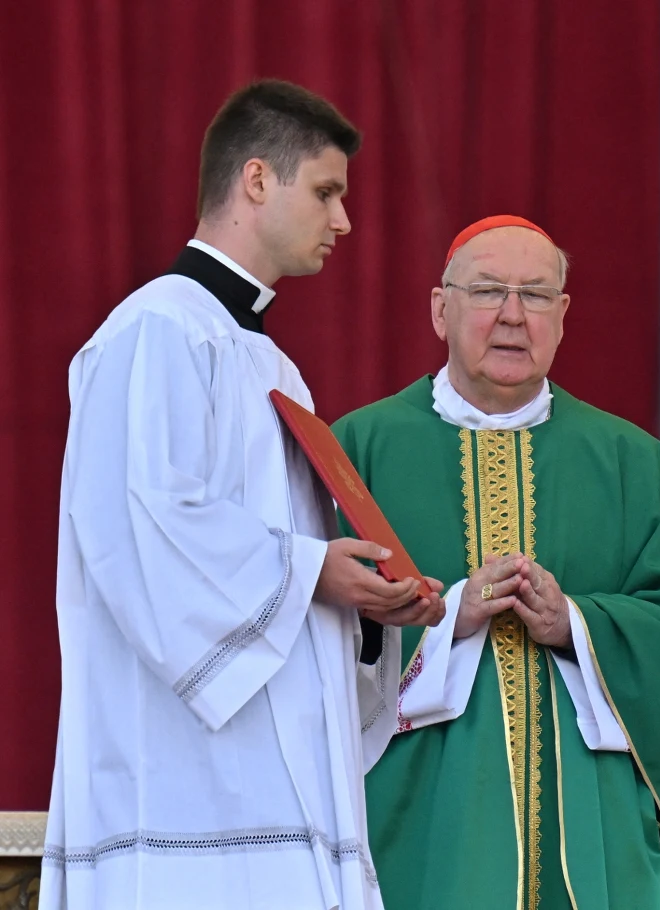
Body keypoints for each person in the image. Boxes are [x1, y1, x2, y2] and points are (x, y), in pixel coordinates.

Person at [41, 80, 444, 910]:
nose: (344, 221)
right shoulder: (158, 328)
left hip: (272, 773)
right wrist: (313, 572)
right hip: (181, 785)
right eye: (326, 192)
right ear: (257, 179)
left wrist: (367, 603)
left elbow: (281, 564)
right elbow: (141, 527)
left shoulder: (271, 363)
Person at [332, 214, 660, 910]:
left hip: (592, 817)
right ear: (440, 309)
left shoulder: (629, 461)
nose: (513, 316)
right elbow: (308, 620)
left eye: (537, 295)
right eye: (489, 291)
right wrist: (447, 616)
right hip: (417, 814)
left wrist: (577, 623)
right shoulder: (360, 451)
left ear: (564, 316)